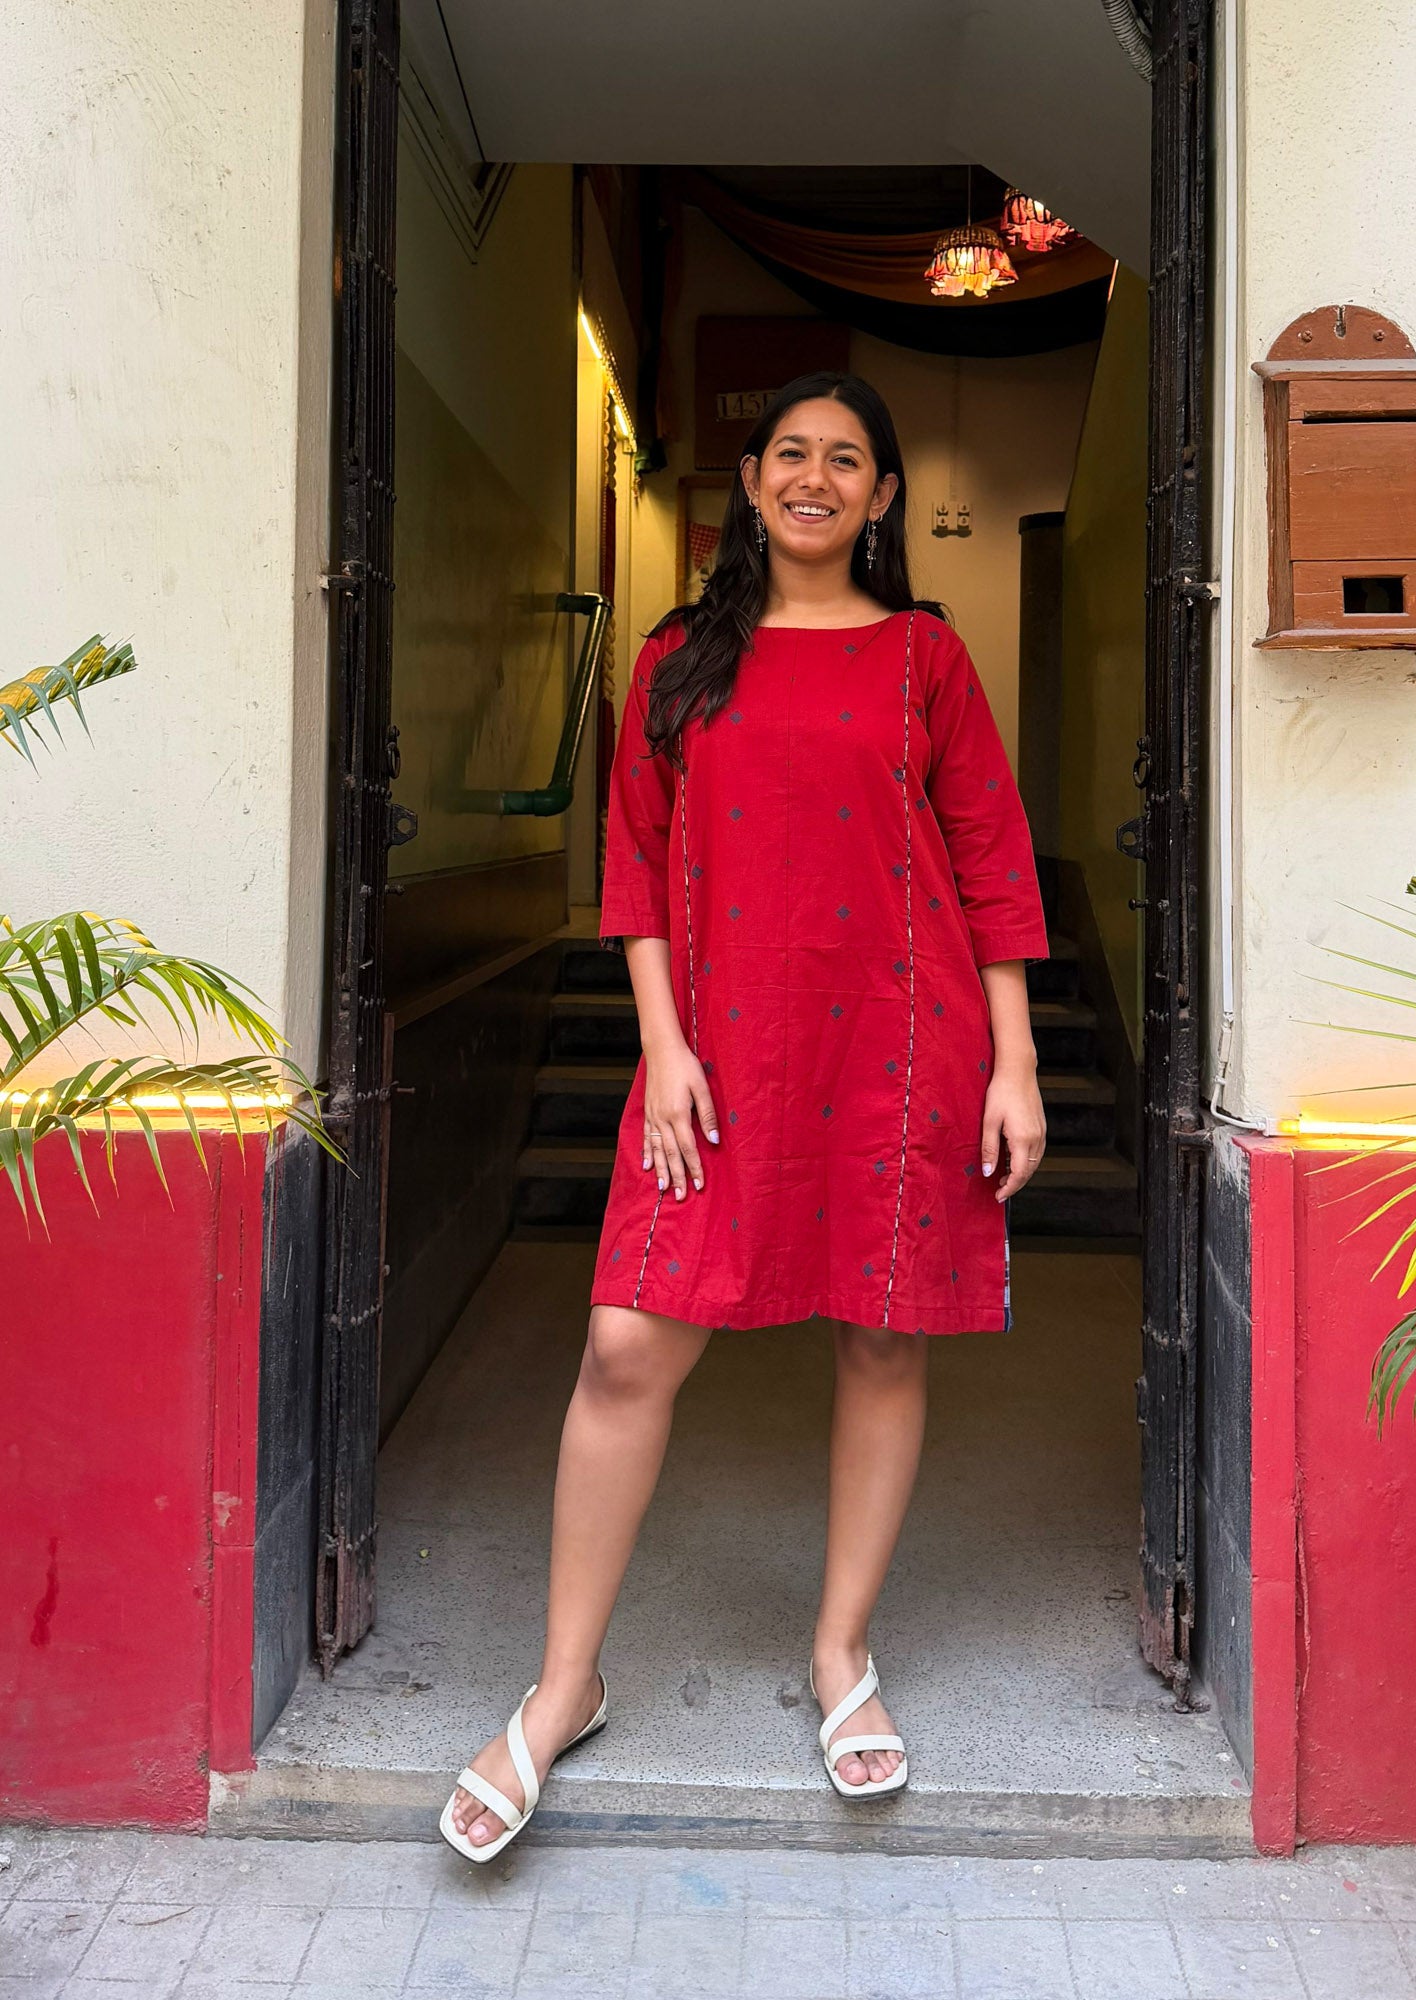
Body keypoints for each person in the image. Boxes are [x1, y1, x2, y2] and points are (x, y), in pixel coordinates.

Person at [441, 370, 1049, 1862]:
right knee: (629, 1339)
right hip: (718, 1049)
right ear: (752, 479)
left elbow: (988, 855)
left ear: (885, 497)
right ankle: (565, 1684)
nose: (819, 477)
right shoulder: (674, 659)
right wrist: (662, 1051)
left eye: (850, 459)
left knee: (883, 1329)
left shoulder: (924, 658)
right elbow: (638, 867)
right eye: (794, 452)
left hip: (905, 1045)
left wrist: (1016, 1061)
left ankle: (841, 1652)